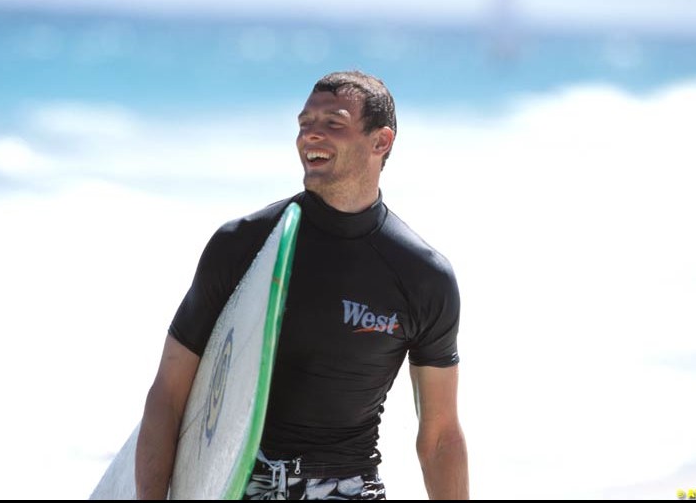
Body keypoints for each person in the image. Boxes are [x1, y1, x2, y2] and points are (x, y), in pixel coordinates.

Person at [135, 70, 469, 500]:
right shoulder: (244, 245)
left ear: (380, 142)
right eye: (305, 123)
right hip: (246, 485)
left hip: (351, 489)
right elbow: (168, 394)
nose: (310, 135)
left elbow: (440, 435)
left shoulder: (423, 277)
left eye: (333, 124)